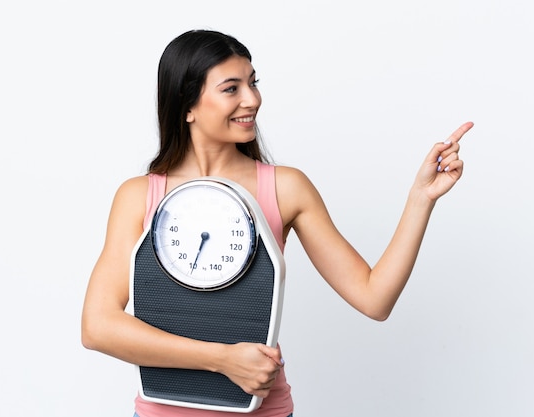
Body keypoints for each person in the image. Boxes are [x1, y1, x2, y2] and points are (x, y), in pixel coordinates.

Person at [81, 29, 474, 417]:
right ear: (187, 105)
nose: (252, 99)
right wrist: (221, 359)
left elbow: (374, 298)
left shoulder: (285, 188)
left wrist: (421, 199)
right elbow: (98, 326)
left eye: (253, 83)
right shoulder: (139, 196)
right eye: (231, 88)